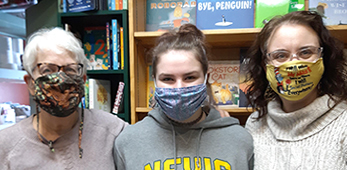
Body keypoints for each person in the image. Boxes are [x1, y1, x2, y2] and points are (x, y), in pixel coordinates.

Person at [114, 24, 254, 170]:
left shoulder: (240, 140)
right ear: (155, 81)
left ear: (206, 78)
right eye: (168, 79)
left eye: (190, 77)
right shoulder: (128, 142)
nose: (179, 88)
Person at [0, 27, 128, 169]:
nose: (60, 80)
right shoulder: (5, 146)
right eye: (47, 70)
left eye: (70, 70)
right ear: (30, 83)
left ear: (83, 80)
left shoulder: (114, 132)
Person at [244, 11, 347, 169]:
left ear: (323, 58)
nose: (294, 65)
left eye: (305, 52)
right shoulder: (255, 124)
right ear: (265, 66)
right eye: (281, 55)